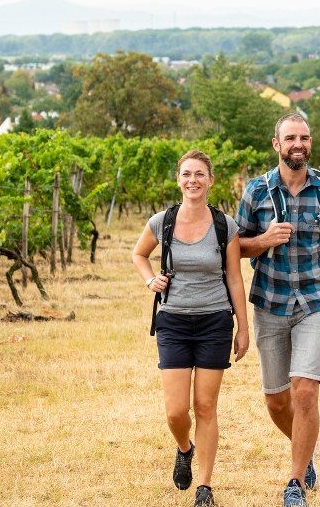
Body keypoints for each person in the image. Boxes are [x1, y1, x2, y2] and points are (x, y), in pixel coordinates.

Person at [237, 113, 320, 507]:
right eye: (290, 138)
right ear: (276, 145)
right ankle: (305, 453)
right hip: (270, 302)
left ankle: (295, 482)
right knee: (276, 400)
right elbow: (236, 248)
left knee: (304, 393)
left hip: (316, 300)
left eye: (304, 137)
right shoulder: (257, 192)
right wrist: (264, 239)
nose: (298, 144)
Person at [132, 149, 250, 507]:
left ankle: (205, 487)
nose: (193, 180)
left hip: (215, 321)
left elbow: (234, 276)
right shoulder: (161, 222)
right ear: (178, 179)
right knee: (175, 411)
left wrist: (243, 328)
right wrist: (150, 279)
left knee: (205, 405)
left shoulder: (224, 225)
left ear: (210, 181)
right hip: (173, 322)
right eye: (186, 174)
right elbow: (139, 254)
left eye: (200, 174)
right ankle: (184, 447)